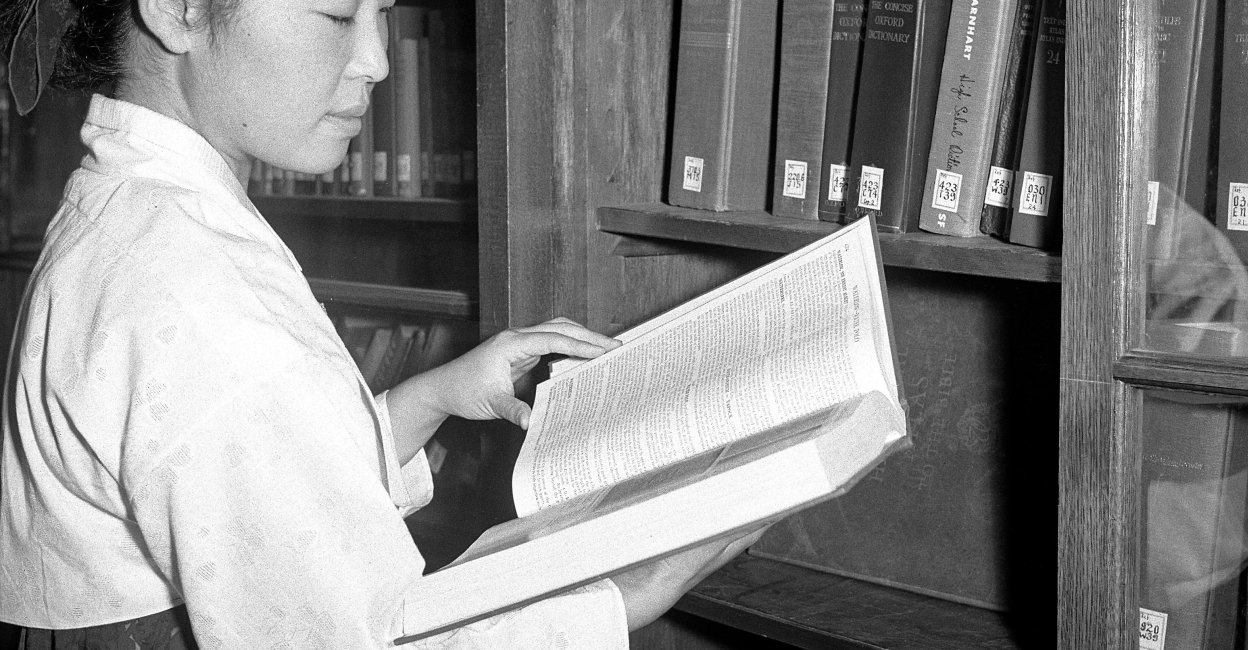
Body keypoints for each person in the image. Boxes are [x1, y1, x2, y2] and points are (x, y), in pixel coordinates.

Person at [0, 0, 763, 647]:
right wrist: (622, 588)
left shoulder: (127, 204)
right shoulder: (201, 298)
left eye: (384, 13)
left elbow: (236, 494)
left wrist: (424, 400)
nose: (377, 61)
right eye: (336, 13)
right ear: (177, 8)